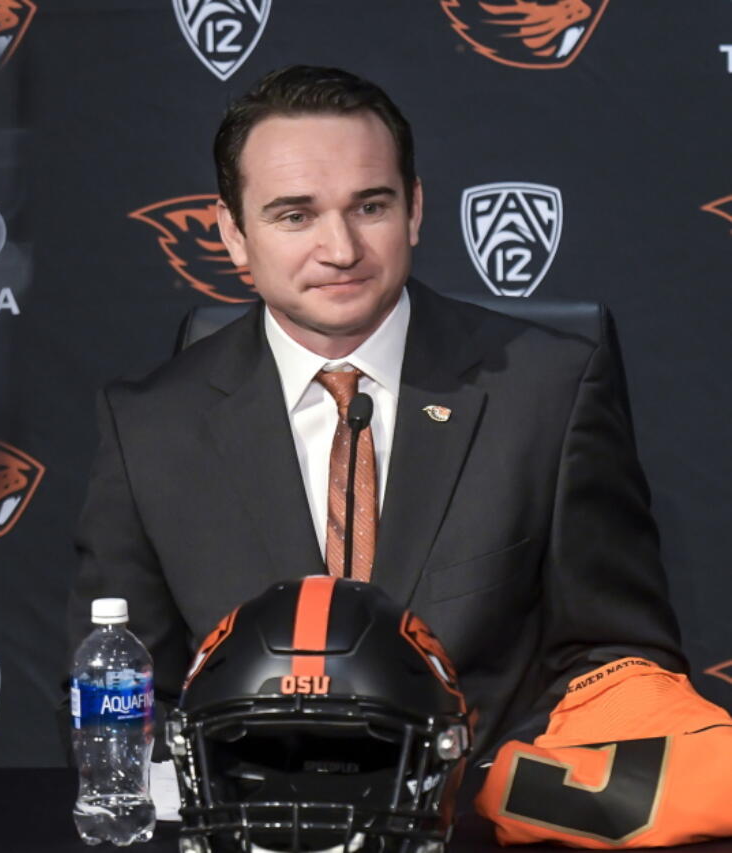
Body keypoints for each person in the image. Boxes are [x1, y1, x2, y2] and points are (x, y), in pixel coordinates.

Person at [67, 65, 686, 762]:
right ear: (234, 234)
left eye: (370, 207)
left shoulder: (549, 391)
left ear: (415, 209)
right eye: (295, 214)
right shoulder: (148, 428)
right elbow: (124, 690)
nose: (341, 250)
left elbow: (620, 668)